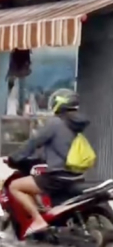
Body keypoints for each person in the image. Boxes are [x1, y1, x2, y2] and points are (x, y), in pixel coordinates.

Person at [7, 91, 88, 236]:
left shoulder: (55, 123)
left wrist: (15, 157)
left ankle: (38, 219)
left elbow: (34, 142)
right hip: (76, 176)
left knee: (15, 186)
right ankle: (48, 217)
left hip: (58, 176)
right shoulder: (76, 125)